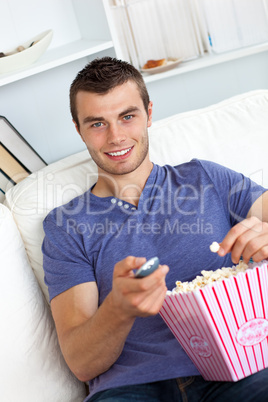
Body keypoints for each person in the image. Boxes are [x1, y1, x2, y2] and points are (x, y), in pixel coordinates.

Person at [42, 57, 268, 401]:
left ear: (149, 112)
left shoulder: (205, 178)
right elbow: (82, 363)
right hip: (132, 388)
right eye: (97, 123)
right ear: (78, 129)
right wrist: (119, 307)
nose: (115, 137)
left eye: (127, 116)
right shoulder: (66, 226)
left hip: (239, 368)